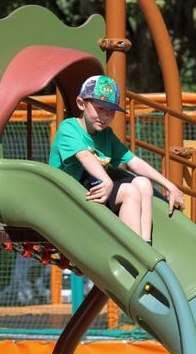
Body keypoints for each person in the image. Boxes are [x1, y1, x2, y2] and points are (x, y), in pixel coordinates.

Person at [49, 74, 185, 245]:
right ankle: (133, 250)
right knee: (129, 191)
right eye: (100, 108)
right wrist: (107, 180)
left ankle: (145, 245)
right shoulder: (69, 128)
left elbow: (134, 161)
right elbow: (84, 155)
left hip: (94, 194)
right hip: (66, 197)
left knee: (143, 183)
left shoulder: (106, 135)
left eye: (111, 111)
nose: (105, 116)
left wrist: (171, 187)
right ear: (81, 103)